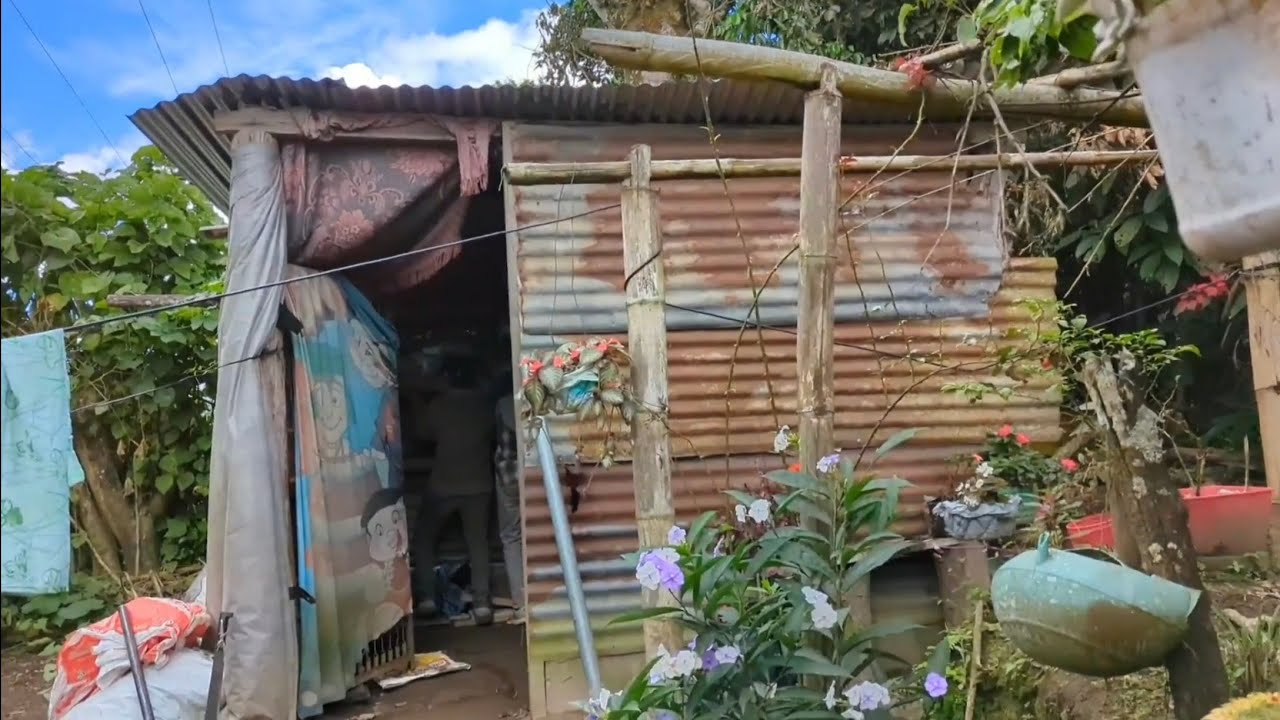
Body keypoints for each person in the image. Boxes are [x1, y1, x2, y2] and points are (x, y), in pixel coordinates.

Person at [413, 358, 495, 625]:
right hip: (479, 485)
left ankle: (426, 598)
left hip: (443, 485)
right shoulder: (485, 405)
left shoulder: (439, 405)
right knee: (478, 543)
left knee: (424, 538)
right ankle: (482, 604)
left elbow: (422, 434)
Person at [493, 377, 524, 622]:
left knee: (512, 535)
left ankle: (520, 603)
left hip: (508, 477)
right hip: (536, 474)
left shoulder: (502, 404)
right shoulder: (536, 397)